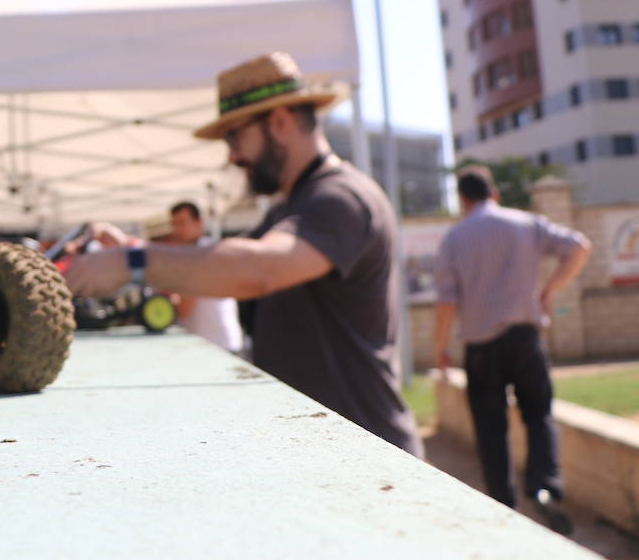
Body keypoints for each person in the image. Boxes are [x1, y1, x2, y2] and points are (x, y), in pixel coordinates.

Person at [67, 51, 422, 457]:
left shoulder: (340, 198)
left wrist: (132, 263)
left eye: (235, 137)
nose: (232, 157)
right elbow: (218, 265)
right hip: (329, 450)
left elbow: (261, 269)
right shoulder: (288, 208)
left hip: (371, 456)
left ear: (280, 122)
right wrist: (128, 248)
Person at [433, 165, 591, 534]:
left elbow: (446, 304)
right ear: (496, 194)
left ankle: (502, 506)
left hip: (480, 346)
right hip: (526, 336)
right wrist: (549, 291)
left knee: (490, 427)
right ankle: (544, 486)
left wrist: (441, 348)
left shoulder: (454, 238)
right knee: (538, 413)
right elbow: (580, 248)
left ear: (463, 199)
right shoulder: (528, 224)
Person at [164, 201, 243, 353]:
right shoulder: (201, 252)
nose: (177, 230)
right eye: (174, 224)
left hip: (218, 346)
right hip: (215, 344)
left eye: (182, 223)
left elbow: (184, 308)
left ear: (199, 223)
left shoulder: (201, 255)